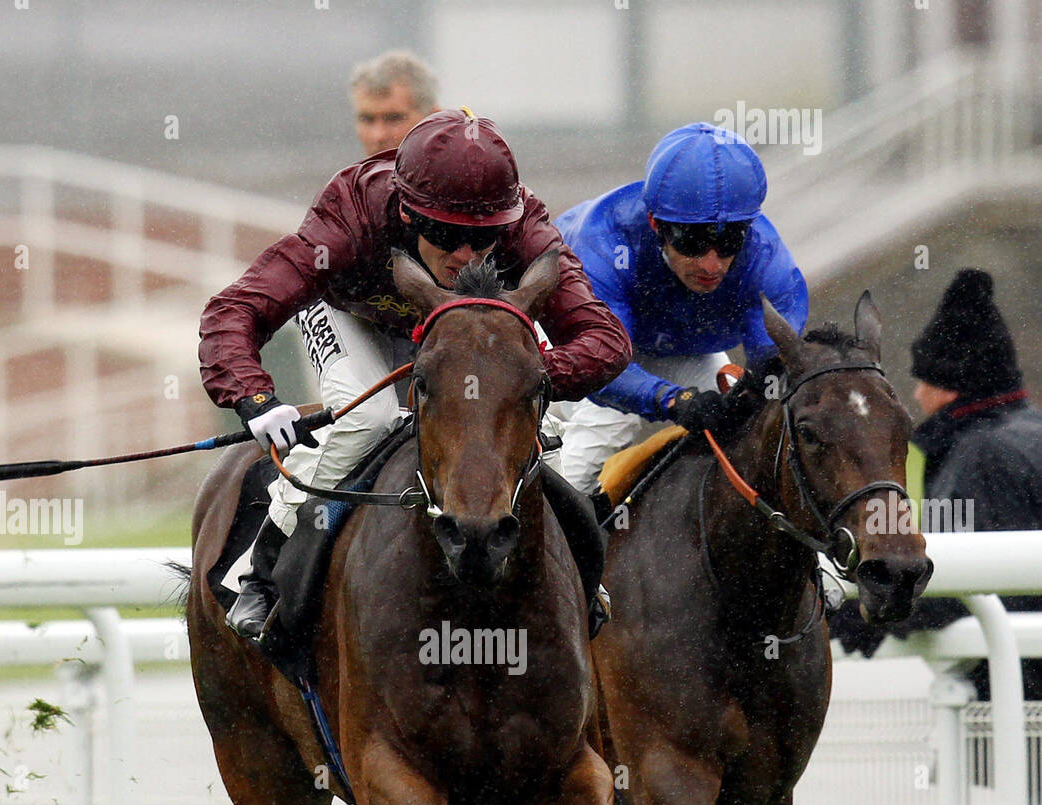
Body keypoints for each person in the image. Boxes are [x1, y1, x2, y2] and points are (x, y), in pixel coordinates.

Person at [199, 108, 632, 638]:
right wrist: (254, 397)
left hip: (471, 336)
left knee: (549, 442)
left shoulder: (529, 232)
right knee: (371, 420)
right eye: (446, 235)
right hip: (356, 316)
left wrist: (522, 380)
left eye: (486, 238)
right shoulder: (346, 221)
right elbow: (236, 309)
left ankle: (582, 582)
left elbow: (605, 340)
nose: (465, 253)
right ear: (407, 216)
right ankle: (263, 570)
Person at [551, 122, 808, 507]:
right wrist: (674, 400)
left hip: (673, 345)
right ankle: (556, 527)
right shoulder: (602, 242)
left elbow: (775, 371)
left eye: (728, 242)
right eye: (692, 241)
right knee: (608, 425)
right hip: (573, 342)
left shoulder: (766, 259)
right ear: (656, 224)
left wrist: (755, 391)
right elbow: (600, 366)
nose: (711, 264)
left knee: (745, 429)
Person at [828, 268, 1042, 699]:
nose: (917, 394)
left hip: (1022, 696)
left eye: (922, 379)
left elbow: (972, 578)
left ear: (945, 388)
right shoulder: (1028, 432)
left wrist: (866, 612)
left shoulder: (982, 455)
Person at [350, 51, 440, 157]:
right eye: (367, 119)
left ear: (434, 120)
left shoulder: (460, 171)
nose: (378, 136)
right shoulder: (348, 173)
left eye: (394, 119)